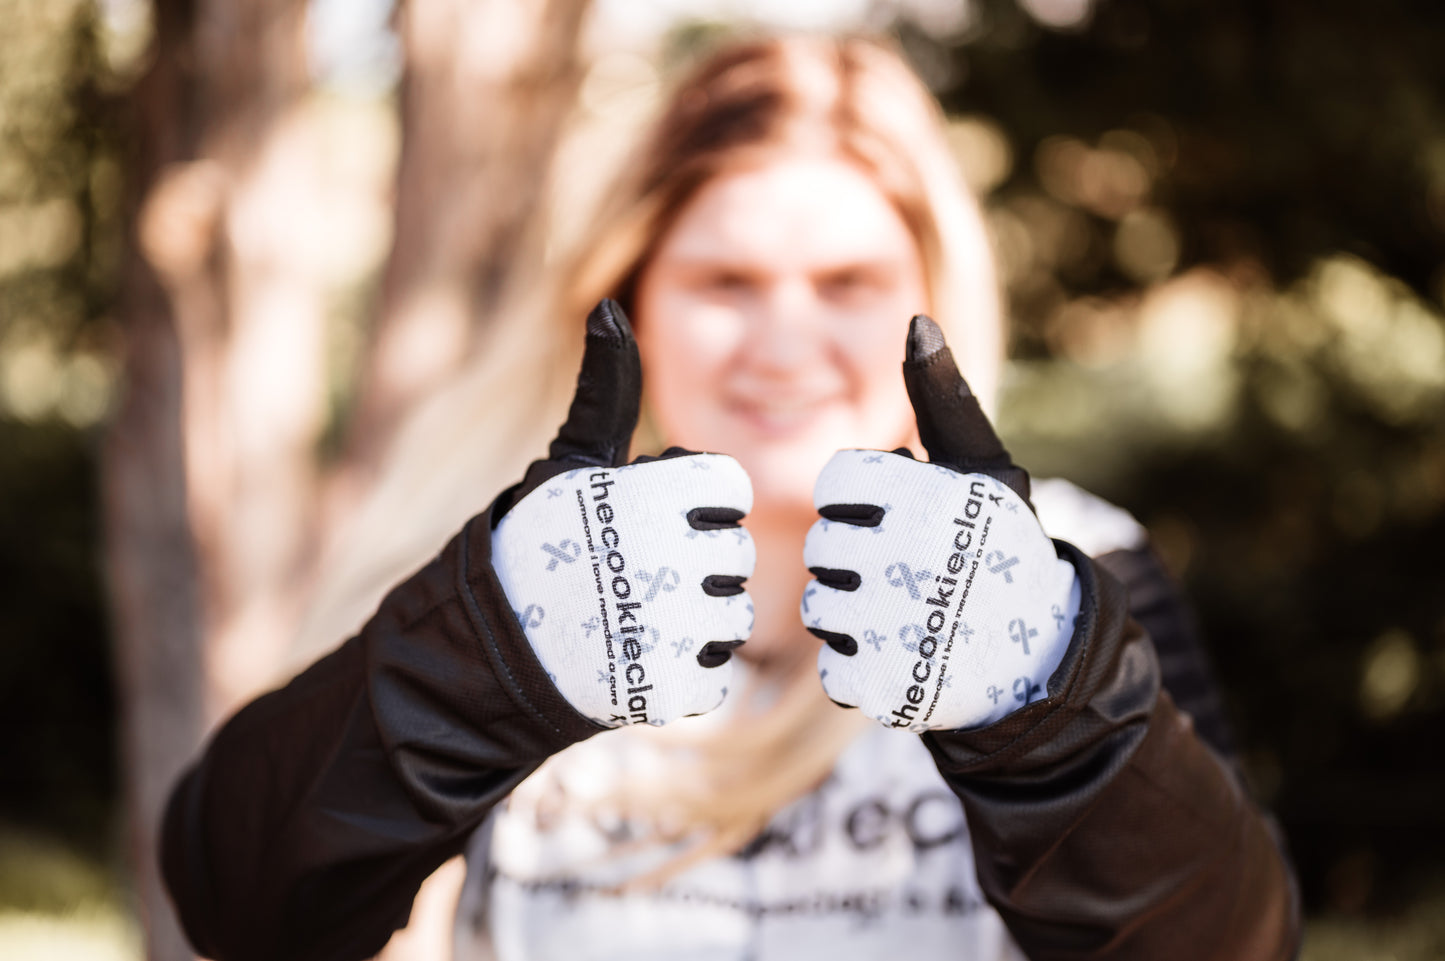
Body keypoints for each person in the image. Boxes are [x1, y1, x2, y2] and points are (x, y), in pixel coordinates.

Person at [161, 35, 1300, 961]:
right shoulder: (509, 565)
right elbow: (241, 909)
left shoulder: (1071, 567)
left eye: (847, 283)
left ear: (932, 300)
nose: (784, 342)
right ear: (631, 299)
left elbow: (1233, 945)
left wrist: (1049, 709)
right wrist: (473, 662)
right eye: (725, 282)